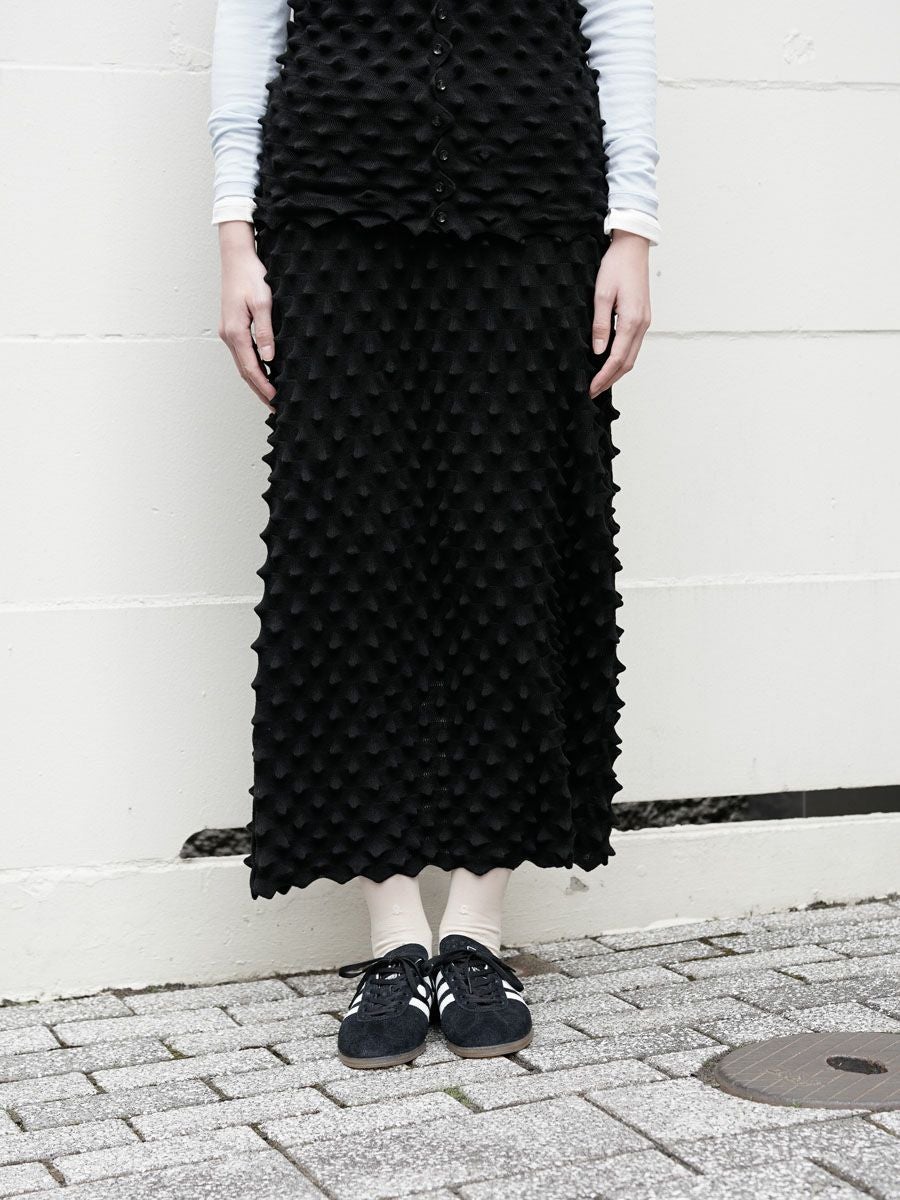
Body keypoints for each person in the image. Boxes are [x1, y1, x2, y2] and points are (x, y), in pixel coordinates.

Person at [208, 0, 659, 1070]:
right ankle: (393, 938)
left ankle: (476, 931)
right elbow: (249, 31)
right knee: (349, 557)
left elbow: (619, 23)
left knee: (513, 553)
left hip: (535, 208)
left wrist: (633, 230)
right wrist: (234, 238)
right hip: (331, 209)